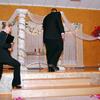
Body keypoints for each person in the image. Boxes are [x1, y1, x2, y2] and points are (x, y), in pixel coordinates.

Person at [0, 22, 21, 89]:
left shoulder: (5, 35)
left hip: (3, 56)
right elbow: (3, 45)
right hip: (3, 56)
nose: (10, 29)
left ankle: (15, 83)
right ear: (6, 27)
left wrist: (10, 47)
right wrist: (10, 44)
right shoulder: (3, 34)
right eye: (10, 27)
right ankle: (15, 83)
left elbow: (7, 48)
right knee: (17, 64)